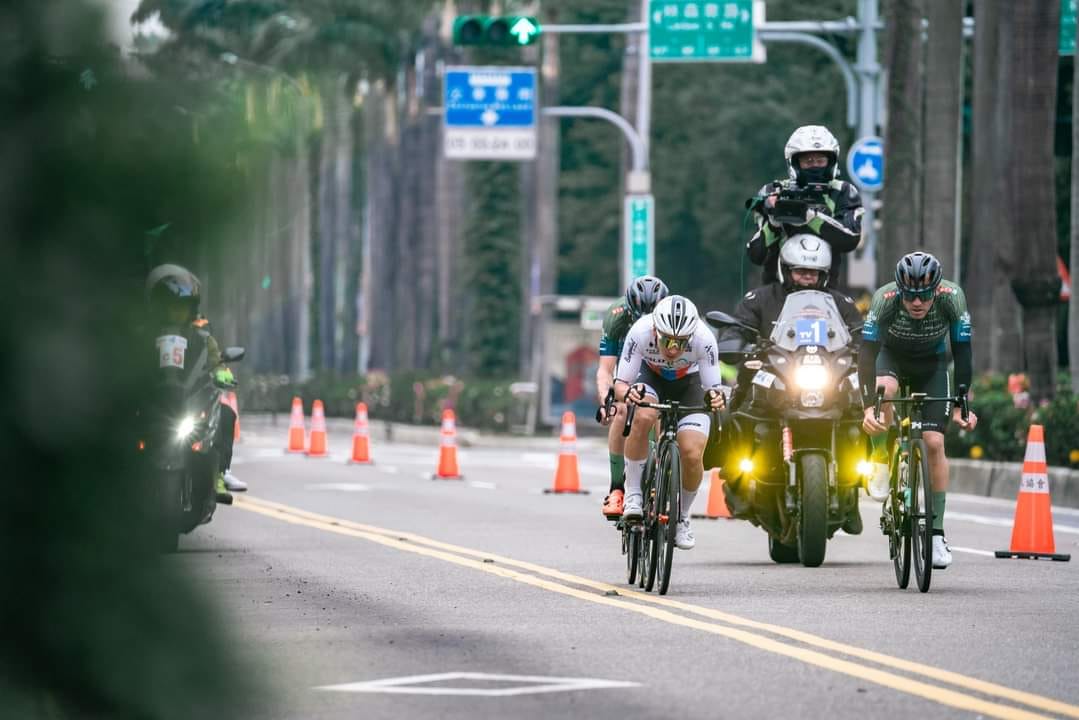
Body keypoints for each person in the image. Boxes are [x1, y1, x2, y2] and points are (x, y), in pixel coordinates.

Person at [718, 235, 864, 534]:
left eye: (814, 273)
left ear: (824, 274)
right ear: (785, 269)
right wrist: (739, 345)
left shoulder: (841, 303)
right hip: (773, 378)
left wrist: (866, 349)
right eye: (800, 271)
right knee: (737, 409)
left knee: (863, 414)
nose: (807, 277)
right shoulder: (759, 299)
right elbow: (735, 329)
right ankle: (737, 475)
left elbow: (863, 333)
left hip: (826, 380)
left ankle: (855, 488)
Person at [859, 251, 978, 569]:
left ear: (936, 290)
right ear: (900, 290)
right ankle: (880, 459)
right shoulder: (884, 298)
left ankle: (937, 534)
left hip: (933, 364)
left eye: (924, 296)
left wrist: (962, 404)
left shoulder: (952, 297)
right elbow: (867, 354)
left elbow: (963, 351)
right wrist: (868, 407)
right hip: (891, 357)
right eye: (910, 295)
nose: (916, 303)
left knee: (935, 443)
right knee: (886, 389)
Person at [614, 295, 727, 550]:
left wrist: (716, 398)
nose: (673, 349)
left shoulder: (704, 339)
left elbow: (712, 388)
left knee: (691, 451)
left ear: (691, 336)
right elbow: (621, 384)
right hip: (650, 376)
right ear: (655, 330)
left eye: (680, 342)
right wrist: (627, 394)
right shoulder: (640, 331)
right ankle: (633, 494)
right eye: (667, 340)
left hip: (689, 383)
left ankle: (683, 517)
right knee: (643, 416)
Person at [145, 264, 245, 504]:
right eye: (170, 306)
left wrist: (222, 373)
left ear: (191, 308)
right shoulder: (144, 335)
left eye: (181, 307)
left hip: (187, 401)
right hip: (153, 404)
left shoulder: (202, 338)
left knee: (226, 414)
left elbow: (215, 360)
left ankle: (221, 473)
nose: (175, 312)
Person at [747, 125, 863, 287]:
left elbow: (850, 239)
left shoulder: (844, 191)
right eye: (808, 161)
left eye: (821, 161)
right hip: (776, 292)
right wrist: (774, 222)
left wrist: (808, 216)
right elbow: (756, 255)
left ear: (831, 162)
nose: (815, 166)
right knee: (746, 309)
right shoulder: (772, 190)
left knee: (851, 312)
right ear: (794, 162)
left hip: (827, 293)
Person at [596, 275, 669, 518]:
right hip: (628, 370)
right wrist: (606, 401)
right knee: (621, 412)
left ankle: (661, 482)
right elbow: (606, 370)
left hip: (659, 369)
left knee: (661, 412)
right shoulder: (617, 316)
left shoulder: (672, 314)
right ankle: (617, 488)